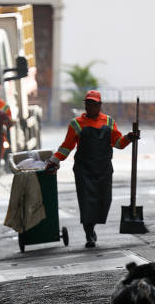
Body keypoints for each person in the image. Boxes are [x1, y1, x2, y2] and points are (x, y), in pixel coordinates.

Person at [45, 90, 139, 248]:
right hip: (84, 170)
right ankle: (89, 233)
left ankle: (92, 227)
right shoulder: (76, 123)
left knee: (104, 200)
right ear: (85, 105)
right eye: (88, 103)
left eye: (94, 104)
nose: (90, 106)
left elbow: (118, 143)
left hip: (103, 169)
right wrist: (54, 161)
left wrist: (129, 138)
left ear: (100, 105)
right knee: (87, 202)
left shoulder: (109, 122)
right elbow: (67, 146)